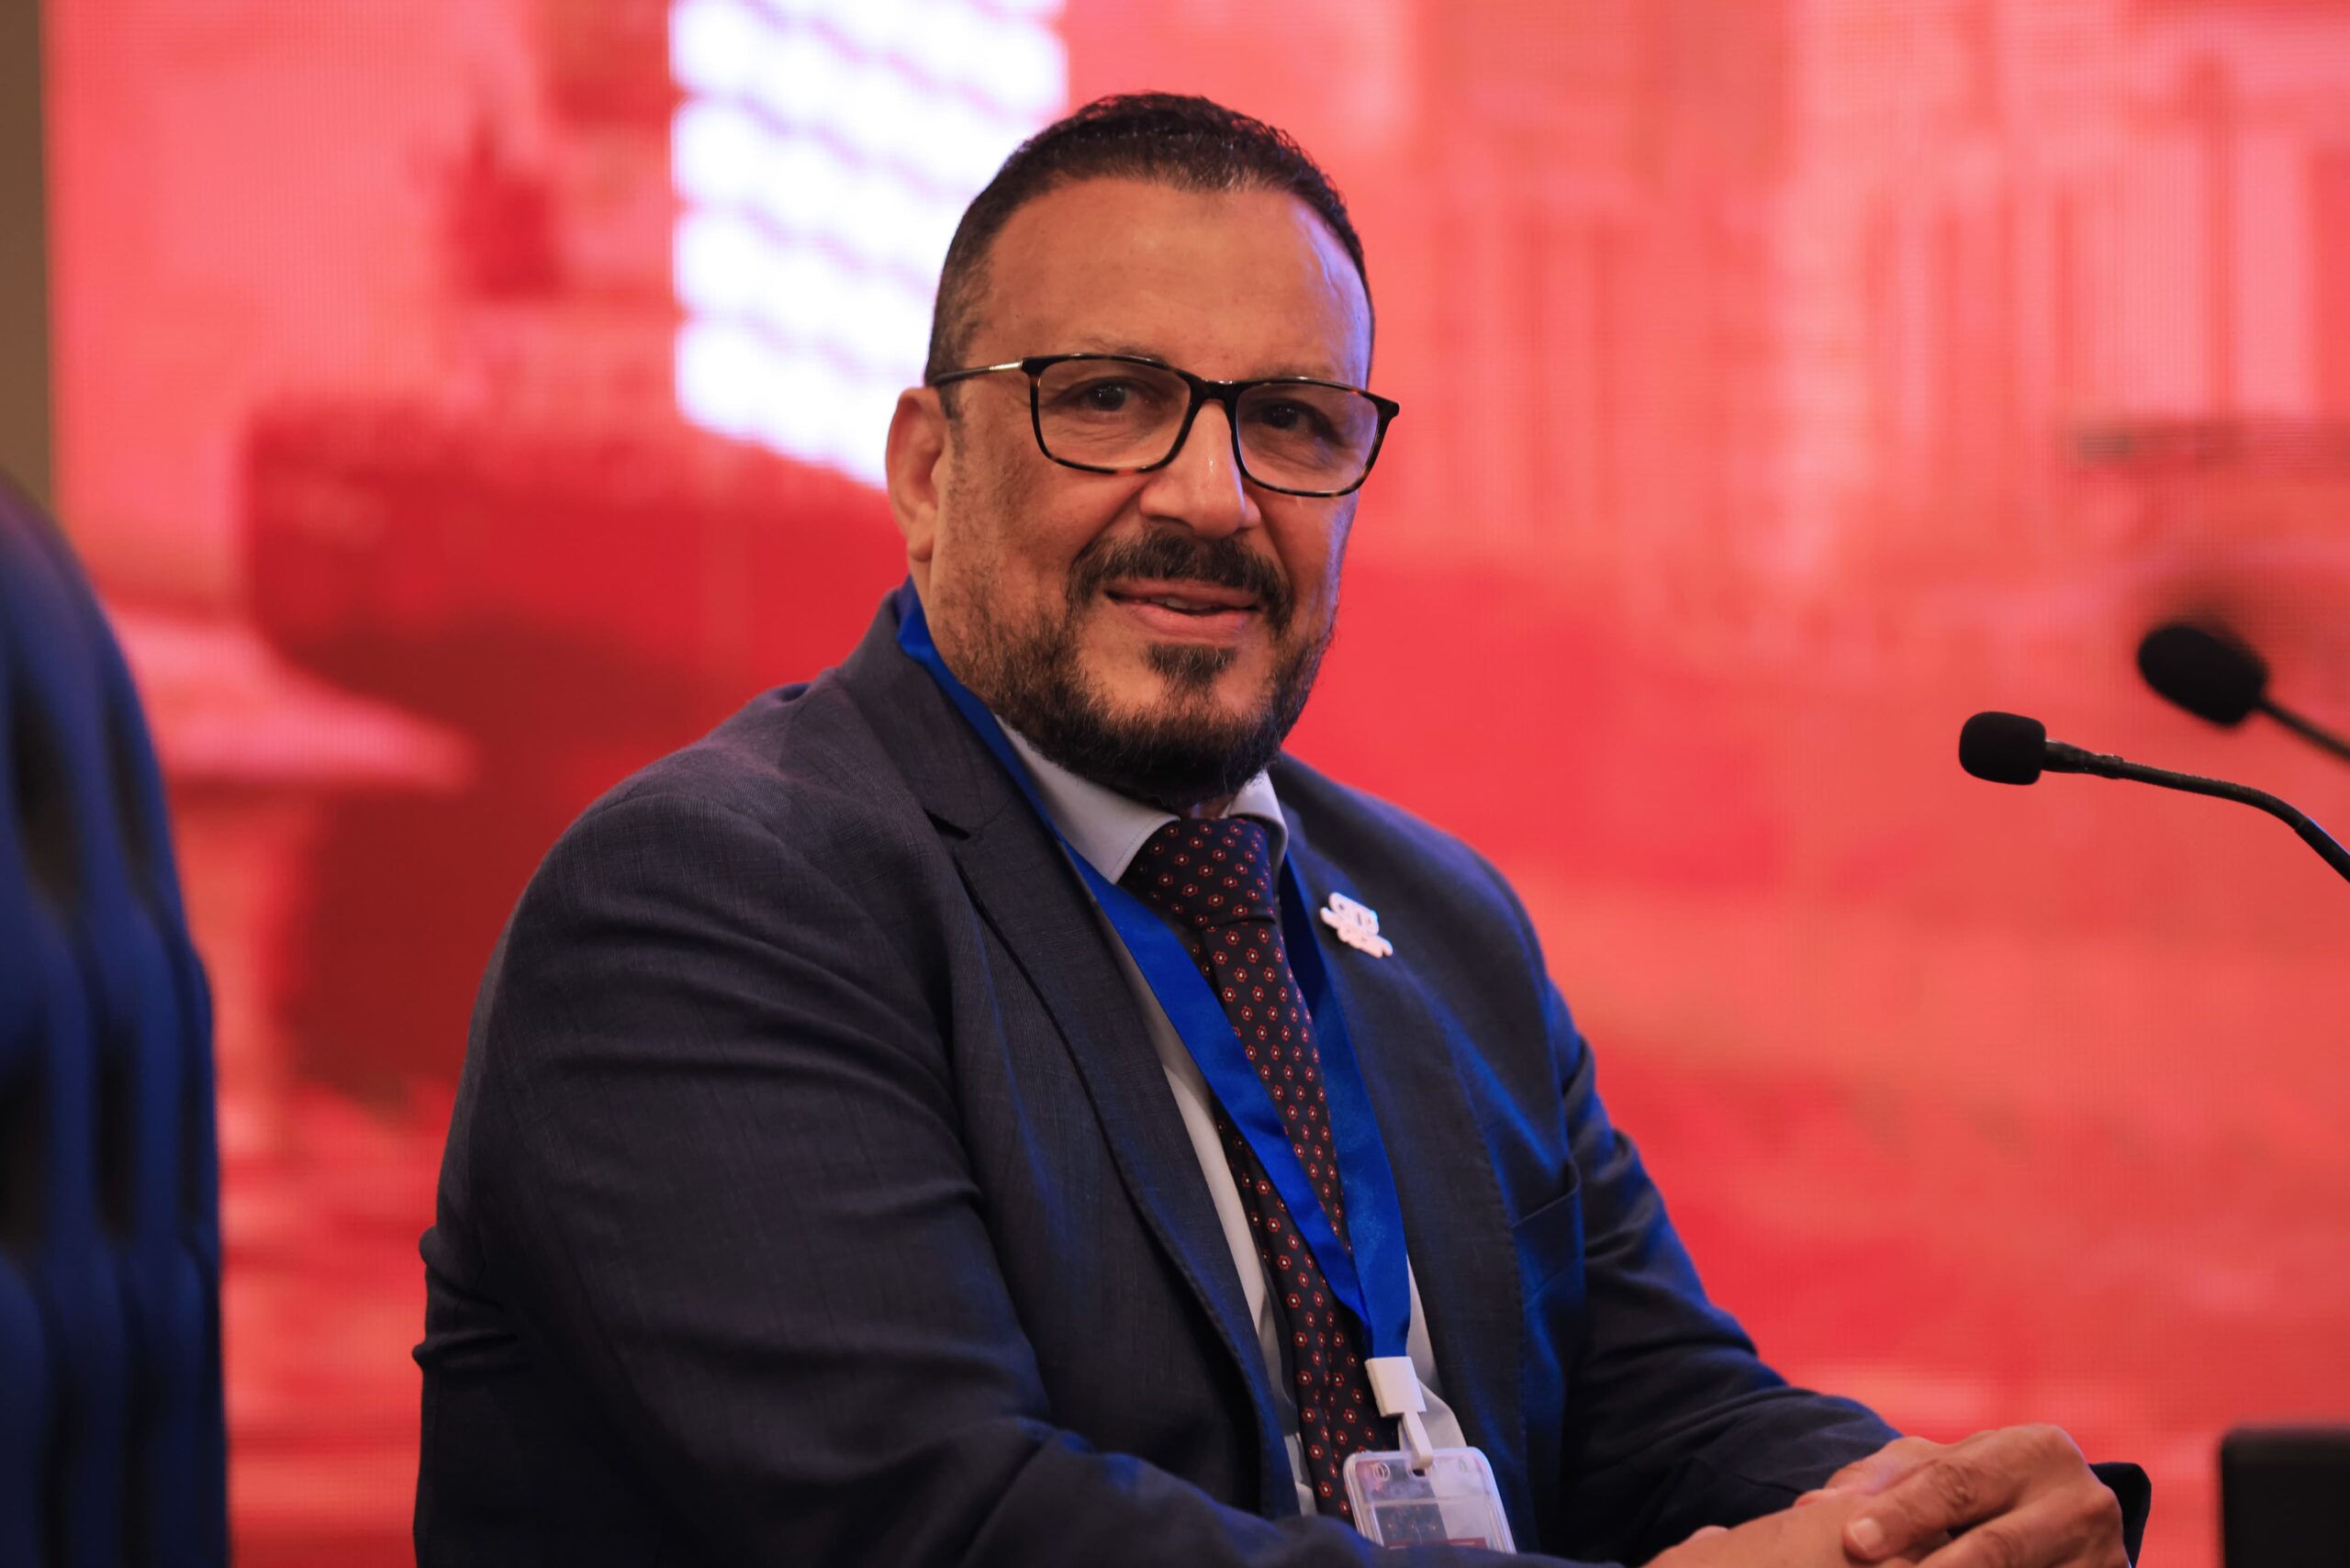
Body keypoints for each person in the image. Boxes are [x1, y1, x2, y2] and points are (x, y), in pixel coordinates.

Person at [413, 94, 2143, 1567]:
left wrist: (1930, 1521)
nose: (1211, 497)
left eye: (1292, 422)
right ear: (931, 472)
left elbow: (1660, 1412)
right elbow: (953, 1526)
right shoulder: (712, 900)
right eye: (1109, 397)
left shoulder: (1441, 918)